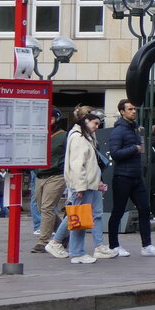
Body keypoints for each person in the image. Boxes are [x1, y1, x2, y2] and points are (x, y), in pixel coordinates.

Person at [106, 98, 155, 257]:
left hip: (136, 177)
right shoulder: (118, 130)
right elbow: (115, 154)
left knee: (145, 209)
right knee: (117, 211)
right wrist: (134, 148)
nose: (134, 111)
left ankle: (147, 246)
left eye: (134, 109)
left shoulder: (135, 129)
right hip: (122, 177)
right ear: (122, 112)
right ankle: (113, 246)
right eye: (130, 109)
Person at [64, 105, 115, 264]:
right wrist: (79, 187)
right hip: (83, 185)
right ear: (86, 121)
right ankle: (76, 252)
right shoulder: (79, 138)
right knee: (79, 218)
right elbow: (78, 165)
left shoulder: (83, 136)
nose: (97, 127)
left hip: (87, 184)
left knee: (80, 218)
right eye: (95, 123)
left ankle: (75, 250)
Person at [32, 110, 68, 254]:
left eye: (51, 117)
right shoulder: (39, 134)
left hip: (56, 175)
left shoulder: (63, 136)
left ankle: (43, 241)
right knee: (43, 208)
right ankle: (64, 234)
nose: (48, 120)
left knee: (47, 208)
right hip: (40, 175)